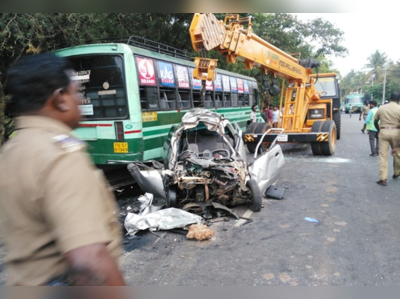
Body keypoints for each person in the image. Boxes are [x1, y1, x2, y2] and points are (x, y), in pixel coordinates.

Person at [0, 54, 126, 286]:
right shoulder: (60, 156)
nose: (80, 99)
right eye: (77, 92)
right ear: (60, 99)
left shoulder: (12, 150)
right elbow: (89, 263)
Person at [374, 91, 400, 186]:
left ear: (390, 98)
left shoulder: (382, 108)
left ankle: (383, 179)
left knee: (383, 156)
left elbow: (375, 121)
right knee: (397, 153)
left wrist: (379, 130)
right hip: (397, 132)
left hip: (383, 131)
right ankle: (397, 172)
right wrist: (397, 145)